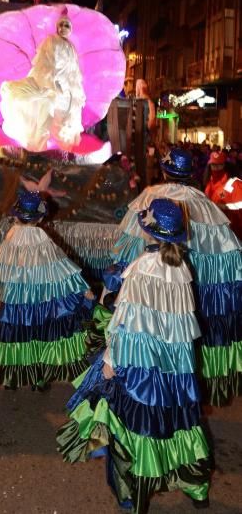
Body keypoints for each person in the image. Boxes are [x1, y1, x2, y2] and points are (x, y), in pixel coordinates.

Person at [57, 198, 211, 513]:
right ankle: (196, 487)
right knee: (178, 420)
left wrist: (112, 360)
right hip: (175, 362)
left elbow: (125, 320)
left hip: (142, 361)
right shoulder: (180, 266)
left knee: (135, 425)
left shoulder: (142, 268)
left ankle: (134, 495)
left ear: (151, 233)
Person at [111, 147, 242, 406]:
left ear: (163, 171)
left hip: (149, 292)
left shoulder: (148, 199)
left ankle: (150, 395)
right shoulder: (205, 204)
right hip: (193, 295)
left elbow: (125, 248)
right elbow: (231, 259)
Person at [0, 171, 94, 391]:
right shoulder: (40, 238)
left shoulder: (10, 236)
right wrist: (82, 287)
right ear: (40, 218)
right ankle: (39, 378)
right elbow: (60, 267)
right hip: (39, 300)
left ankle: (13, 376)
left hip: (15, 303)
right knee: (39, 334)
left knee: (18, 336)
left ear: (17, 216)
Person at [0, 11, 86, 151]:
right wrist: (53, 84)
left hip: (67, 91)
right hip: (50, 87)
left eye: (67, 25)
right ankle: (38, 150)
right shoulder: (51, 41)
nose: (63, 27)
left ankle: (63, 153)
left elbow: (74, 71)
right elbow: (47, 63)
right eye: (61, 24)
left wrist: (73, 91)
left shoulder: (72, 48)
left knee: (65, 122)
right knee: (46, 116)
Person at [205, 151, 242, 240]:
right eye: (213, 165)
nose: (215, 168)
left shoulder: (234, 183)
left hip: (231, 231)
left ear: (224, 165)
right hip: (215, 228)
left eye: (219, 165)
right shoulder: (209, 181)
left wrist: (224, 207)